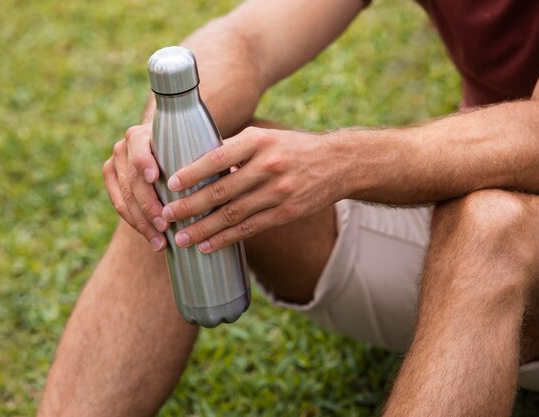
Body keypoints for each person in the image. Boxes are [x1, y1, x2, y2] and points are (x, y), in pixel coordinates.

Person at [37, 0, 539, 415]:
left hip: (499, 245)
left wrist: (341, 161)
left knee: (491, 223)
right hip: (453, 247)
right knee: (177, 177)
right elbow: (246, 37)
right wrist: (160, 140)